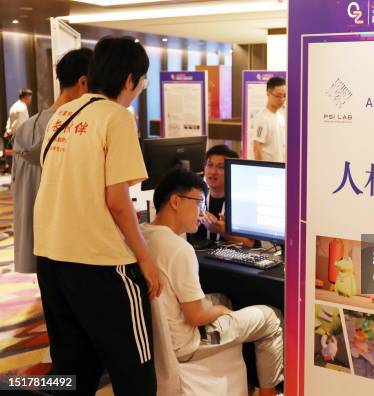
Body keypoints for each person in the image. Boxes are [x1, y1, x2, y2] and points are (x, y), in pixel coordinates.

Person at [33, 36, 162, 396]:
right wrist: (146, 259)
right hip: (101, 263)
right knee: (134, 370)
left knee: (72, 367)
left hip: (52, 258)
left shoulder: (63, 113)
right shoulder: (116, 117)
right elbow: (118, 202)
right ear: (130, 79)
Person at [141, 167, 283, 396]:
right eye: (198, 203)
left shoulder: (142, 235)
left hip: (158, 338)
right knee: (271, 317)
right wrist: (220, 311)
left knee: (224, 297)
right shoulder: (179, 250)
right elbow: (196, 316)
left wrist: (220, 307)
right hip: (188, 343)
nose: (201, 211)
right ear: (176, 201)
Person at [12, 48, 92, 274]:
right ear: (83, 83)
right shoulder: (81, 127)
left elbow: (21, 189)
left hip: (37, 239)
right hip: (70, 242)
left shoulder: (27, 128)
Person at [189, 144, 257, 247]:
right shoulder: (196, 198)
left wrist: (220, 230)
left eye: (220, 167)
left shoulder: (242, 201)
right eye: (210, 165)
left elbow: (249, 244)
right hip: (199, 259)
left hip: (232, 260)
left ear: (231, 170)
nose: (213, 172)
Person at [252, 77, 286, 162]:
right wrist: (260, 168)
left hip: (281, 166)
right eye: (278, 96)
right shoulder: (262, 118)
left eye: (284, 96)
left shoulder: (281, 118)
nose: (281, 99)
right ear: (268, 93)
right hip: (269, 169)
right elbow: (257, 147)